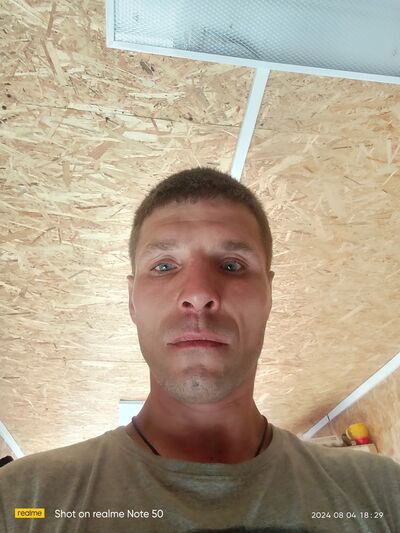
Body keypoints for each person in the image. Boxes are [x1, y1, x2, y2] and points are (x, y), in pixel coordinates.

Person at [0, 168, 399, 533]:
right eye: (163, 266)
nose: (198, 293)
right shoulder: (22, 502)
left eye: (232, 265)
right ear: (132, 301)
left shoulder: (381, 494)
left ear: (269, 294)